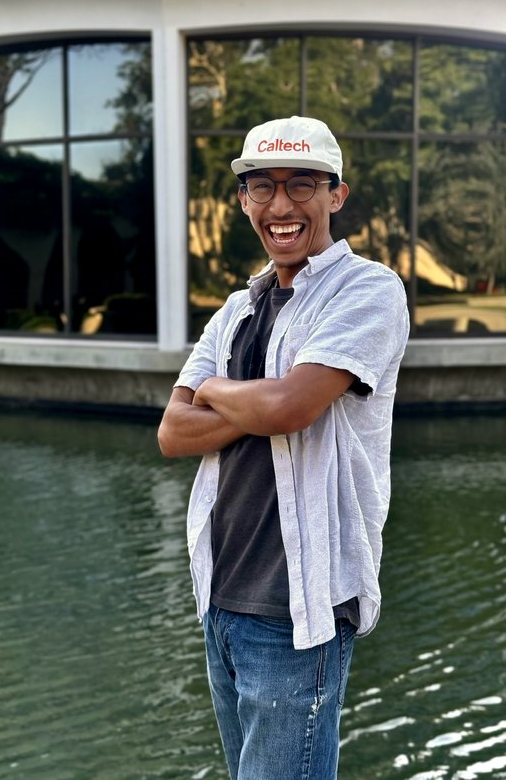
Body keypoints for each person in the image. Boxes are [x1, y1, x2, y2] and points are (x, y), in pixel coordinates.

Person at [158, 115, 409, 780]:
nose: (281, 205)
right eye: (262, 187)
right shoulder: (236, 309)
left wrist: (213, 387)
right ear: (243, 200)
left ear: (336, 194)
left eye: (302, 184)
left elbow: (290, 407)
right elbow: (172, 431)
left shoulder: (369, 291)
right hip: (222, 599)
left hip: (297, 609)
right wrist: (261, 402)